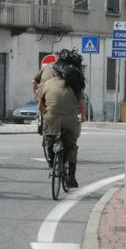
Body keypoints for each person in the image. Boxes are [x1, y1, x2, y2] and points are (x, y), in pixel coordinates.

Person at [38, 48, 86, 189]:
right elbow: (82, 105)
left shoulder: (47, 84)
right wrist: (83, 116)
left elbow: (40, 105)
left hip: (51, 118)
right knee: (71, 146)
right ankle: (71, 177)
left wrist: (45, 113)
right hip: (70, 119)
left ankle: (52, 162)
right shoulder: (75, 86)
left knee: (49, 140)